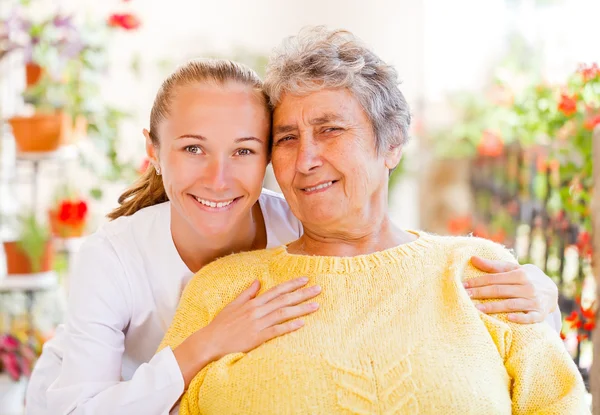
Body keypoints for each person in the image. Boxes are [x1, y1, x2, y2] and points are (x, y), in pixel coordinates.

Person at [27, 58, 560, 414]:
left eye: (244, 149)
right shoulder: (115, 255)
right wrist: (208, 342)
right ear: (153, 151)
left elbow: (385, 257)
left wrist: (537, 293)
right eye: (192, 148)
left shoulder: (296, 220)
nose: (218, 177)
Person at [158, 27, 589, 414]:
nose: (305, 160)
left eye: (330, 130)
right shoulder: (221, 290)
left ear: (392, 145)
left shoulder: (478, 272)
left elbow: (558, 404)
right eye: (287, 138)